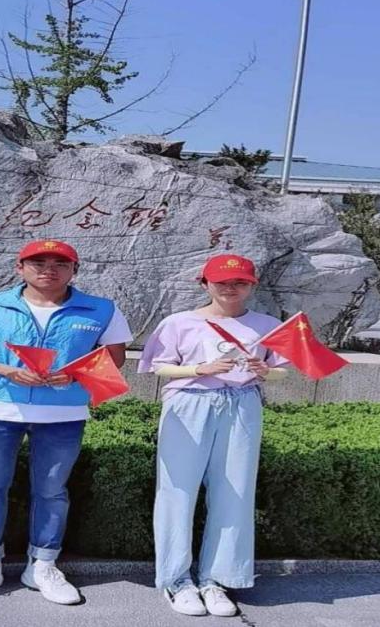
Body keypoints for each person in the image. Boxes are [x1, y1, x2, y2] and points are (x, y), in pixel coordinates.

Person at [0, 239, 133, 606]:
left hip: (63, 413)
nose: (49, 269)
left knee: (52, 490)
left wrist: (75, 374)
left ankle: (43, 565)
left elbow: (115, 358)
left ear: (74, 270)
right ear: (20, 267)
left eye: (60, 263)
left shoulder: (101, 309)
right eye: (38, 262)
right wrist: (5, 370)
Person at [138, 254, 289, 618]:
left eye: (240, 282)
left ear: (252, 285)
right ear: (205, 284)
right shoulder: (179, 322)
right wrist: (199, 369)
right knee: (177, 490)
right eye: (222, 281)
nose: (230, 288)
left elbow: (283, 371)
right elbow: (158, 367)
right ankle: (176, 579)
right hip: (189, 404)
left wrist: (265, 371)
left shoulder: (267, 325)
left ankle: (217, 579)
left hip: (243, 403)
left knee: (235, 490)